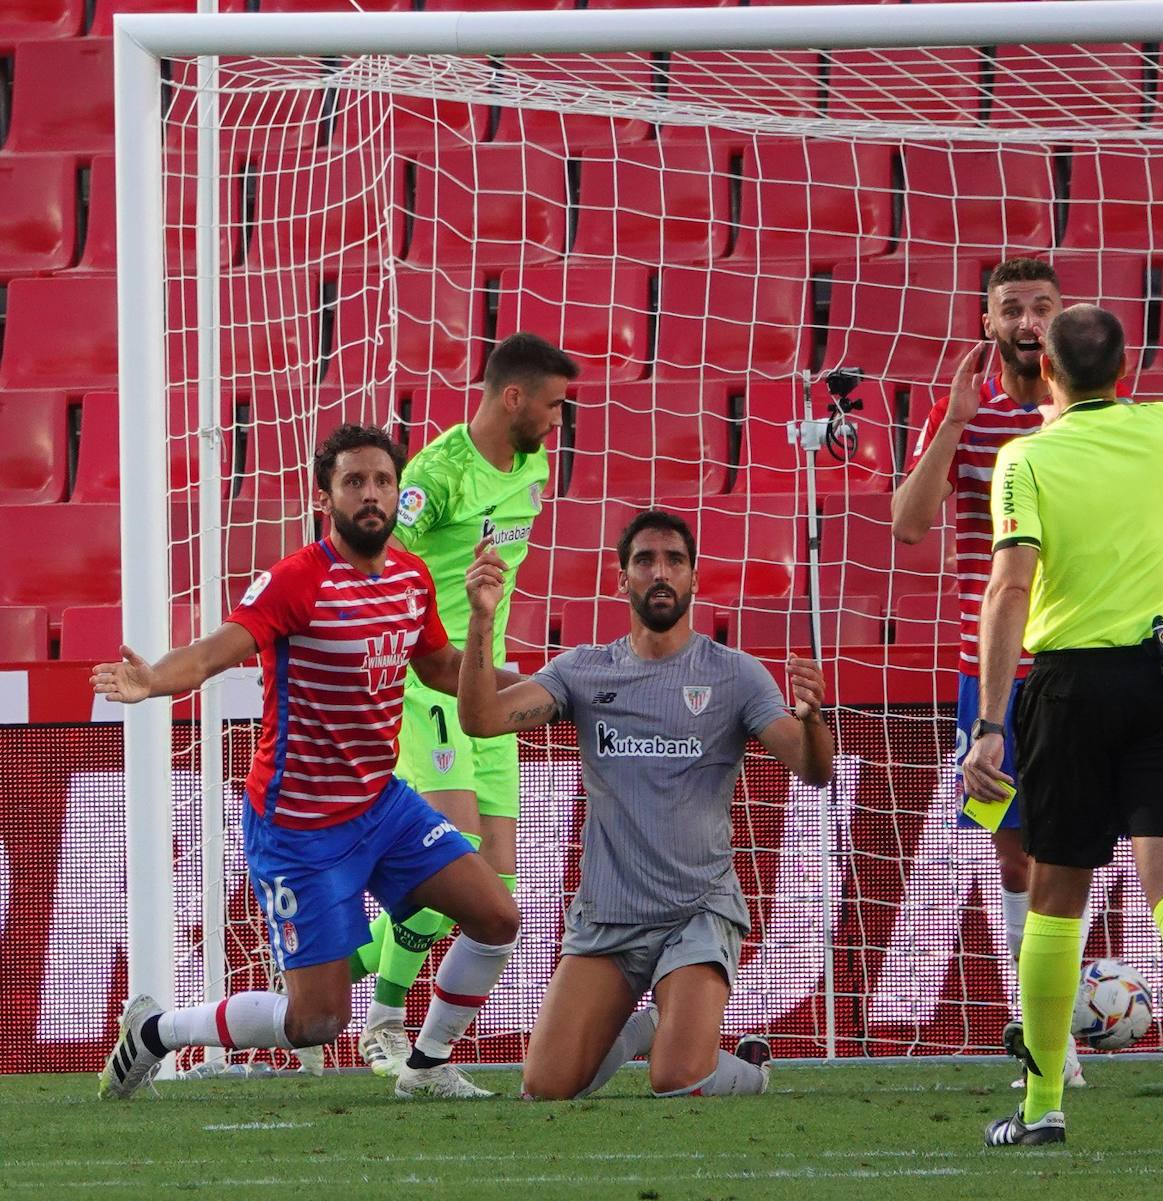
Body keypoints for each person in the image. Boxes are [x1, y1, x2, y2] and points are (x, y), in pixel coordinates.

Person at [94, 424, 521, 1102]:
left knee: (497, 916)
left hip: (382, 805)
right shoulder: (297, 580)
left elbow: (441, 667)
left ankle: (426, 1065)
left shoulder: (411, 578)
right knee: (316, 1021)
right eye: (354, 482)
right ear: (325, 497)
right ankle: (156, 1031)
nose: (371, 494)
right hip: (299, 825)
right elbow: (209, 654)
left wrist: (544, 684)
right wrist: (154, 681)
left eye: (383, 481)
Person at [965, 305, 1163, 1149]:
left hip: (1072, 686)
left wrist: (990, 723)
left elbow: (1011, 587)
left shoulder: (1026, 459)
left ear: (1044, 369)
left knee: (1057, 896)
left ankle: (1043, 1104)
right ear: (1125, 367)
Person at [458, 510, 835, 1100]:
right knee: (545, 1088)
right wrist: (482, 619)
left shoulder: (735, 675)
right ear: (621, 579)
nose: (660, 572)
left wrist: (812, 721)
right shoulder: (582, 672)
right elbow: (481, 719)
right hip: (607, 918)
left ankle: (751, 1074)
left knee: (678, 1079)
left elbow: (814, 771)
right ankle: (646, 1029)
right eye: (644, 561)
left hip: (696, 912)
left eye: (674, 561)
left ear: (694, 578)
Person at [350, 332, 577, 1076]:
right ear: (512, 397)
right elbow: (374, 558)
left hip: (488, 683)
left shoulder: (534, 466)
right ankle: (383, 1020)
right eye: (552, 405)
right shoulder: (437, 475)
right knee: (449, 858)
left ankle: (342, 976)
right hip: (425, 681)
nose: (559, 422)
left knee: (495, 885)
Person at [891, 257, 1085, 1088]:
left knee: (1063, 855)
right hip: (989, 675)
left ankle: (1058, 1036)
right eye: (1012, 308)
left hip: (1074, 662)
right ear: (989, 323)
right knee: (1011, 862)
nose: (1028, 320)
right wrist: (952, 424)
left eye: (1042, 306)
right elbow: (908, 524)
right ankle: (1047, 1035)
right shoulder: (965, 412)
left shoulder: (1084, 413)